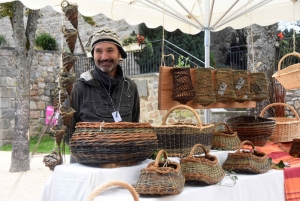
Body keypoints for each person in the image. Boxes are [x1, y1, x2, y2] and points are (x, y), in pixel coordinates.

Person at [64, 27, 140, 162]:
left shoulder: (130, 87)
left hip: (121, 166)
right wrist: (89, 154)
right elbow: (65, 129)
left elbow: (134, 125)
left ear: (120, 54)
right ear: (93, 55)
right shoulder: (79, 88)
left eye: (110, 50)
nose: (104, 57)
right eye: (98, 51)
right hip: (87, 169)